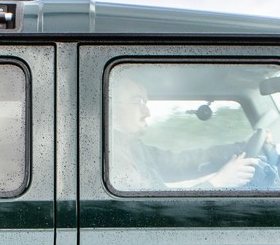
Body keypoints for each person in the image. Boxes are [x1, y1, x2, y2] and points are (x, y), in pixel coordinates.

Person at [109, 72, 263, 190]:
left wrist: (239, 148)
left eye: (145, 102)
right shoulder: (114, 158)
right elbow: (151, 211)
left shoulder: (134, 146)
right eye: (137, 101)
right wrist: (217, 182)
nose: (147, 112)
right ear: (112, 108)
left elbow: (179, 162)